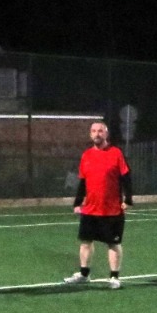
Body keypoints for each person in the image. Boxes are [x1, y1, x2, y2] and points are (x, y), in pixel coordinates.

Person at [63, 120, 133, 289]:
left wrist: (128, 199)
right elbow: (82, 181)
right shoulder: (86, 155)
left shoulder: (116, 153)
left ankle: (114, 277)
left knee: (113, 243)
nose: (97, 134)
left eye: (100, 131)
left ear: (106, 134)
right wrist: (78, 202)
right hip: (90, 208)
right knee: (86, 241)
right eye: (94, 131)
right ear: (90, 134)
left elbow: (126, 177)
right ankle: (84, 274)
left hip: (112, 209)